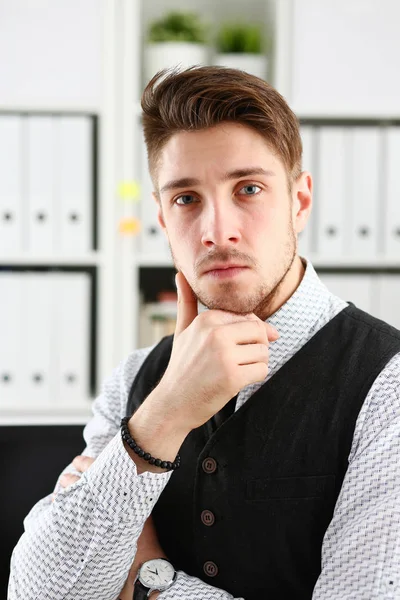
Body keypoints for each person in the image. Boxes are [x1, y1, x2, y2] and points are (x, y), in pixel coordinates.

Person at [8, 66, 400, 600]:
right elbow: (39, 594)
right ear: (163, 219)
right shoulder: (136, 379)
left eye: (249, 188)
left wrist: (150, 582)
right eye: (186, 199)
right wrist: (162, 416)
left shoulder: (388, 382)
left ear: (300, 201)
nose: (218, 231)